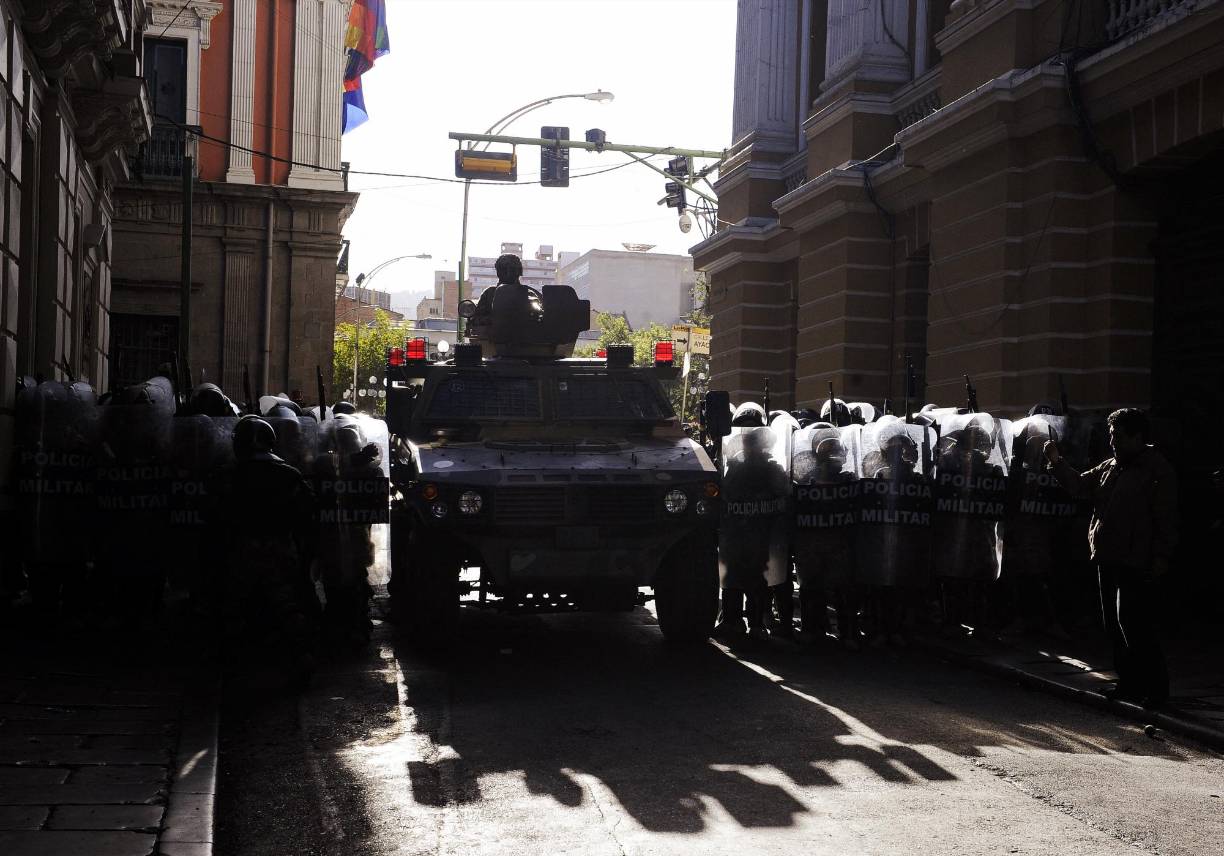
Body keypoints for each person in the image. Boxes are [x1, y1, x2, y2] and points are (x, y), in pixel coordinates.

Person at [1044, 408, 1177, 707]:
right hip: (1108, 556)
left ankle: (1156, 690)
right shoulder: (1111, 467)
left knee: (1134, 623)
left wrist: (1161, 556)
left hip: (1137, 559)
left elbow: (1166, 518)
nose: (1112, 441)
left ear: (1137, 436)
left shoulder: (1157, 470)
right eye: (1112, 435)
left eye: (1118, 436)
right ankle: (1129, 684)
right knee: (1114, 625)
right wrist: (1056, 462)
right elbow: (1079, 486)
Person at [222, 417, 320, 688]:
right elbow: (308, 512)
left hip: (243, 549)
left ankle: (234, 664)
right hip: (280, 547)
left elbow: (216, 513)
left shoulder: (229, 473)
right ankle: (301, 656)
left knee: (233, 607)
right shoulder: (289, 474)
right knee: (289, 604)